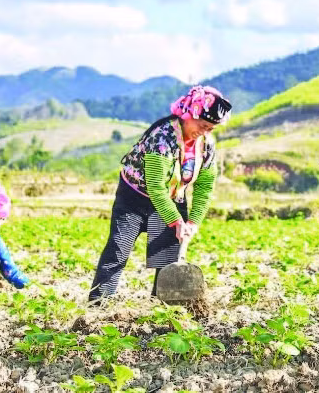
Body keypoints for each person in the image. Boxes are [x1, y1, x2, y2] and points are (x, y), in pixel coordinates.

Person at [88, 85, 232, 304]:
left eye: (210, 128)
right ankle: (97, 305)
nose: (204, 132)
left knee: (166, 258)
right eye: (202, 125)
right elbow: (156, 187)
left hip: (174, 198)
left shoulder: (206, 147)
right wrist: (175, 220)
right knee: (118, 251)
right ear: (187, 115)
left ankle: (162, 307)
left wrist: (193, 221)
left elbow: (205, 185)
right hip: (133, 199)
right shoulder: (163, 137)